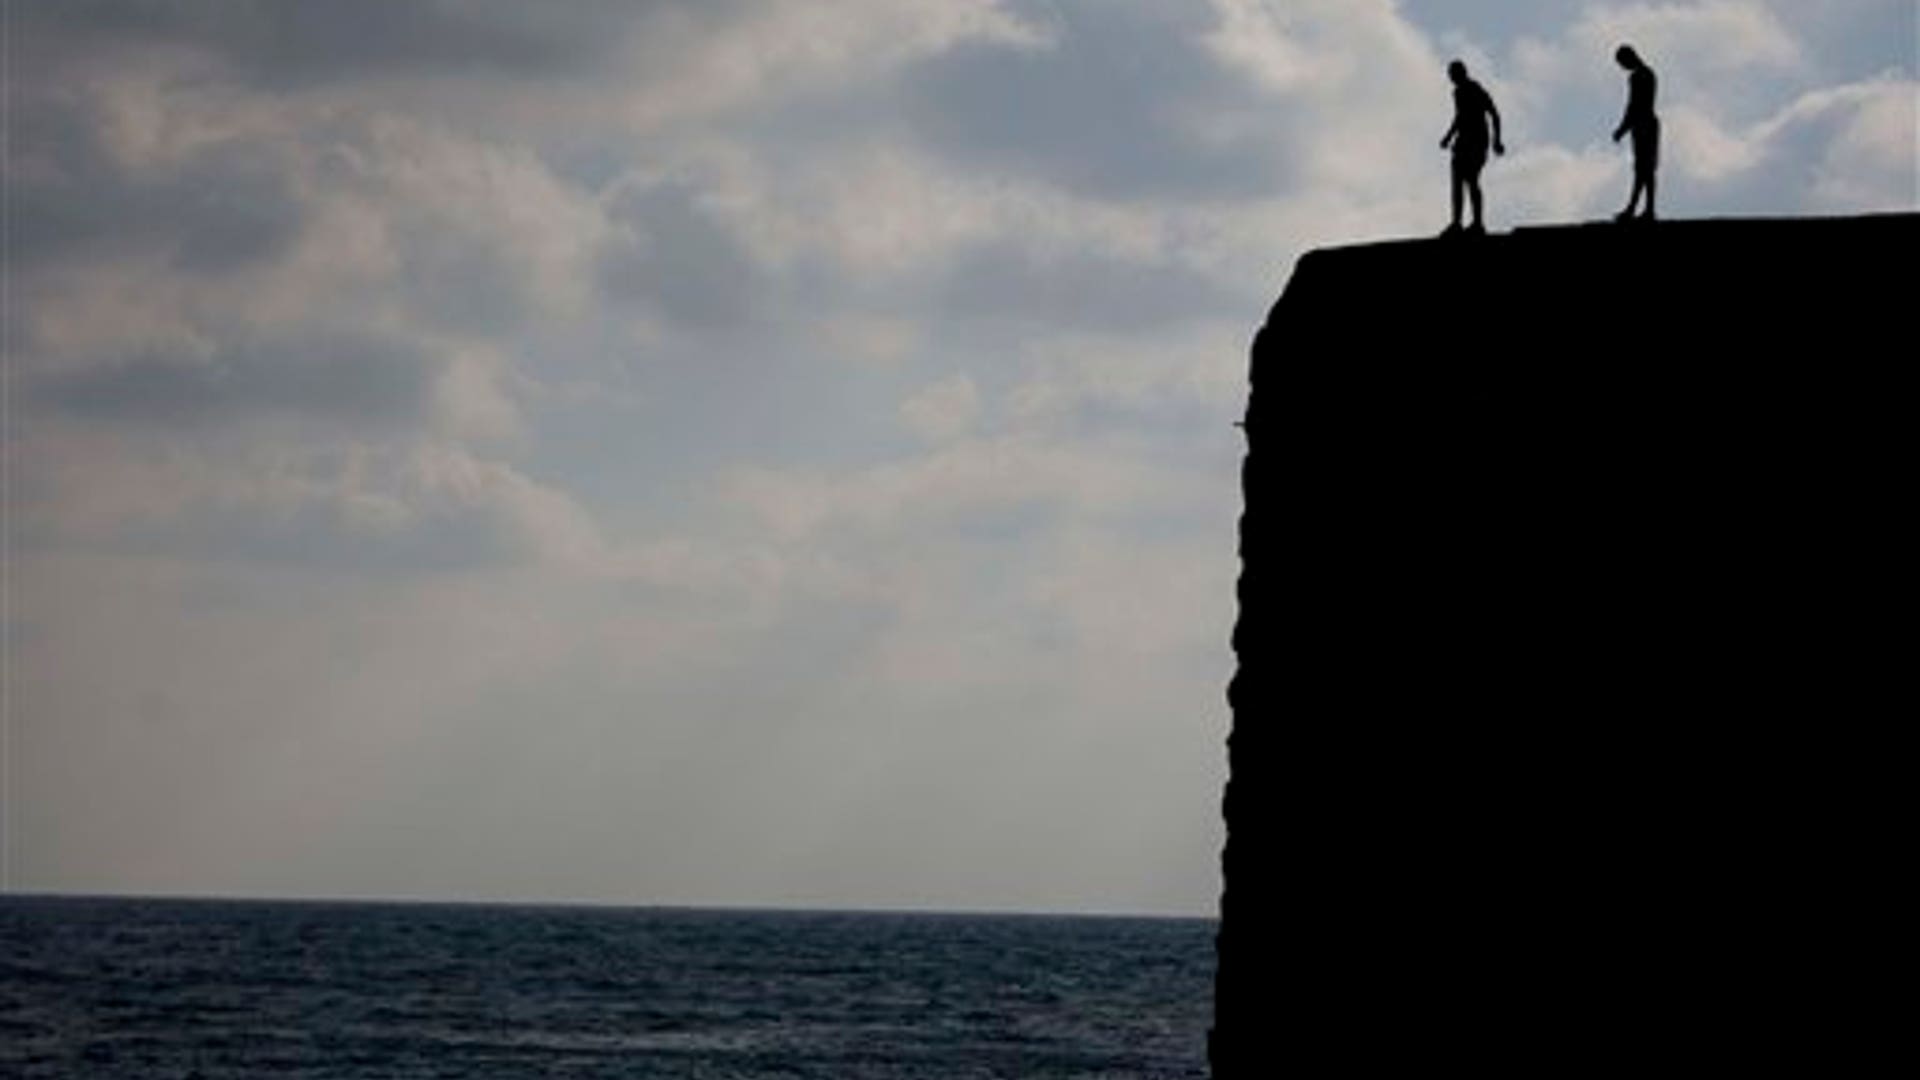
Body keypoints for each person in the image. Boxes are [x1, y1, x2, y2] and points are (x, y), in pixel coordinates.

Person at [1439, 60, 1504, 235]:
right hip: (1462, 142)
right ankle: (1456, 223)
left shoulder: (1475, 89)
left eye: (1453, 74)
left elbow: (1494, 113)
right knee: (1457, 182)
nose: (1451, 78)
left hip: (1477, 141)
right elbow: (1459, 117)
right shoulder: (1458, 93)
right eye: (1450, 75)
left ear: (1462, 73)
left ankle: (1477, 223)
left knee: (1472, 180)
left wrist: (1496, 141)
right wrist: (1448, 136)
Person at [1612, 45, 1660, 222]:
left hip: (1642, 124)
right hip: (1649, 122)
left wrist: (1622, 129)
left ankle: (1640, 209)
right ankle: (1643, 208)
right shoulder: (1650, 73)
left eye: (1622, 63)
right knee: (1646, 168)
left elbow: (1633, 105)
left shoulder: (1638, 76)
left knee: (1643, 168)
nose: (1623, 68)